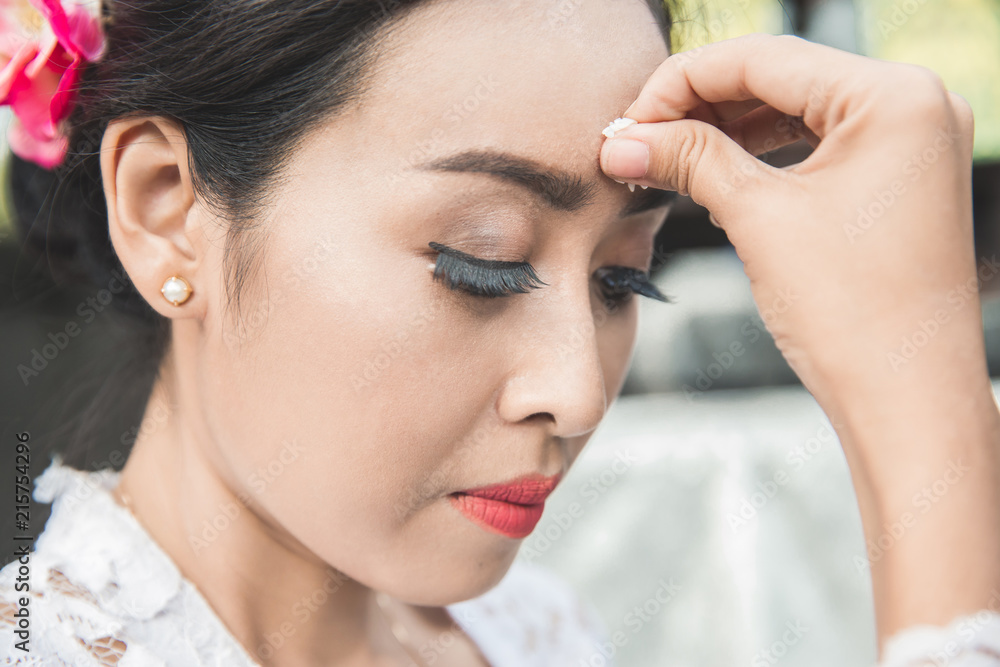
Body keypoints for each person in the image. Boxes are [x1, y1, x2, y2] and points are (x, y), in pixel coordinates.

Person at [0, 0, 998, 666]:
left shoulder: (528, 636)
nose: (577, 391)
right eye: (478, 262)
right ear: (167, 206)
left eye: (623, 279)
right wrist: (923, 418)